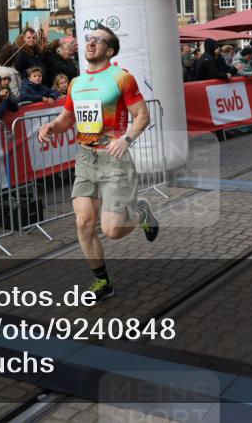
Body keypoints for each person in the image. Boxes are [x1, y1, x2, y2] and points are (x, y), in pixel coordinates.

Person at [37, 25, 158, 301]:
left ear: (110, 49)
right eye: (89, 39)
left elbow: (142, 115)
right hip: (85, 157)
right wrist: (51, 127)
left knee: (112, 229)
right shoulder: (76, 83)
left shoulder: (121, 78)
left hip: (113, 157)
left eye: (98, 41)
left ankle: (141, 213)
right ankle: (102, 282)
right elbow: (67, 118)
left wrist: (126, 139)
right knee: (83, 222)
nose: (90, 44)